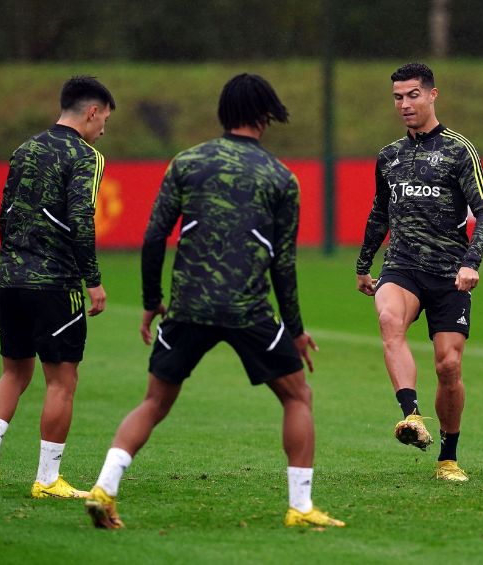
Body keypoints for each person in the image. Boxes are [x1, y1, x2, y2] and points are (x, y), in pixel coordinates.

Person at [84, 73, 344, 529]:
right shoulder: (282, 178)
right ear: (265, 114)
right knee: (298, 396)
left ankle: (104, 487)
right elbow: (283, 264)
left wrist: (151, 300)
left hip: (188, 307)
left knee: (154, 403)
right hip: (249, 311)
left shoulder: (186, 162)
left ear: (224, 113)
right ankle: (301, 508)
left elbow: (152, 237)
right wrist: (296, 329)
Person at [0, 76, 114, 499]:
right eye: (104, 118)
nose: (103, 128)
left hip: (9, 277)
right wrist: (94, 281)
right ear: (91, 112)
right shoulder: (86, 156)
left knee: (13, 371)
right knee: (61, 381)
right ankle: (48, 478)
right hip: (55, 283)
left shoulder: (24, 149)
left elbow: (3, 213)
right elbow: (82, 219)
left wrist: (15, 257)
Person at [355, 63, 483, 482]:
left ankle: (447, 457)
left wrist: (472, 262)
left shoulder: (459, 150)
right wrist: (364, 265)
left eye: (413, 95)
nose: (404, 104)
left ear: (433, 95)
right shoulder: (389, 156)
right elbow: (380, 213)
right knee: (388, 320)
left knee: (448, 366)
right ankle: (411, 416)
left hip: (450, 272)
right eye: (398, 97)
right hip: (401, 266)